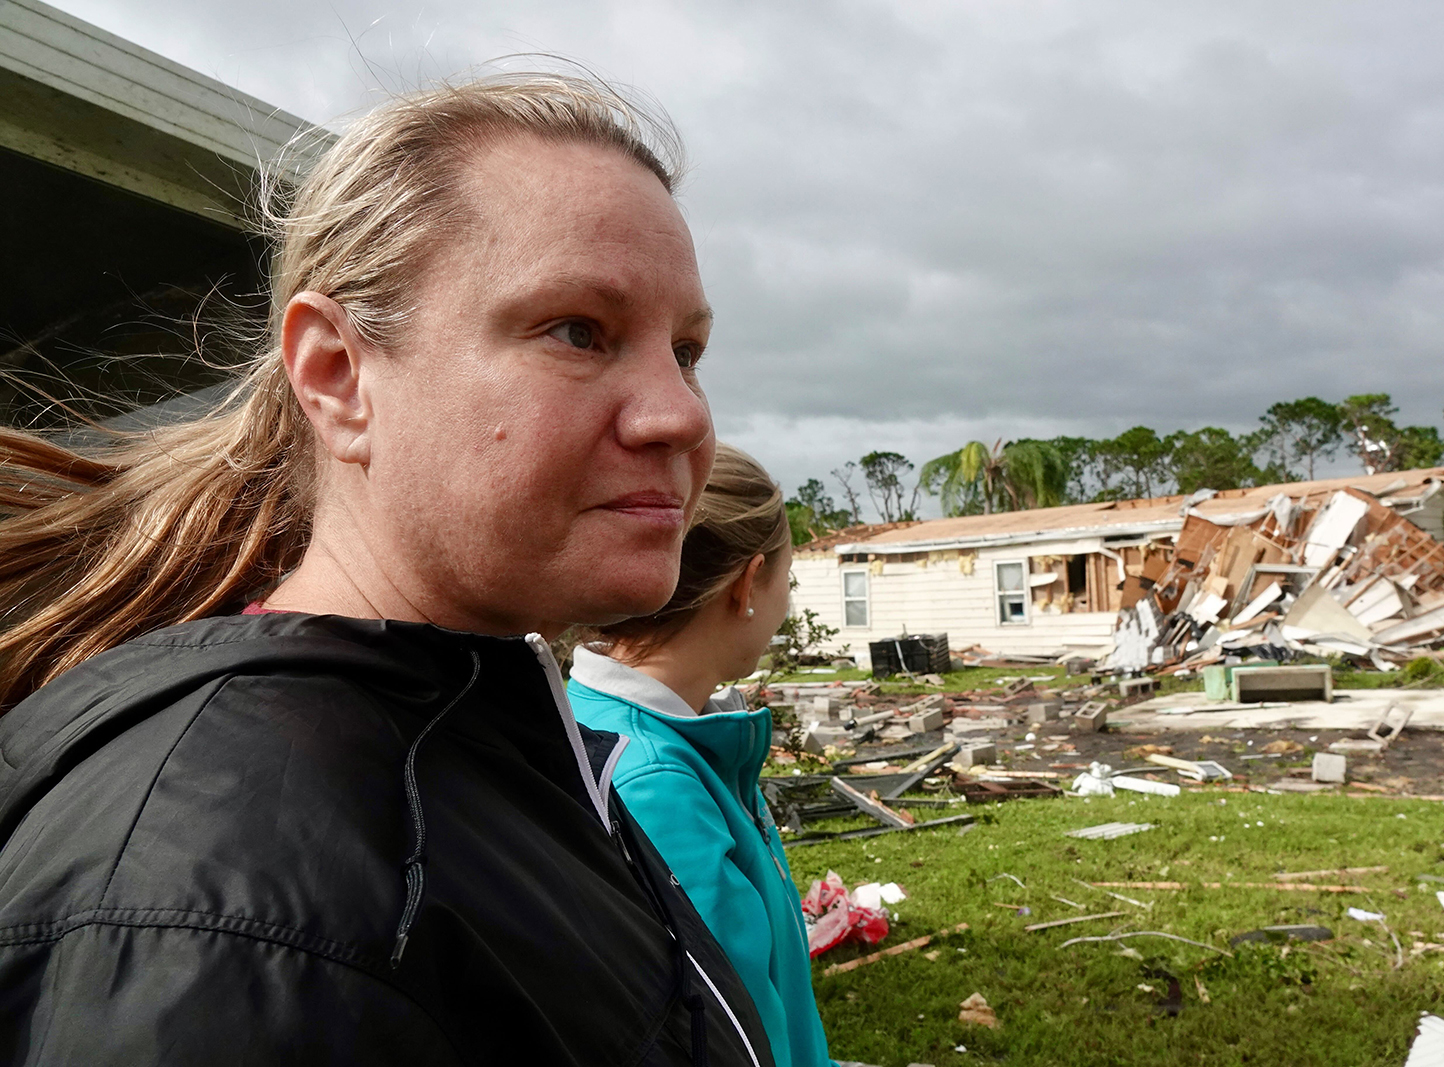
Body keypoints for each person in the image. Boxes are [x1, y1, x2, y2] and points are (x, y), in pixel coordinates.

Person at [0, 74, 774, 1066]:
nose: (681, 415)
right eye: (578, 330)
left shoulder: (472, 733)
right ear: (338, 375)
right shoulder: (230, 907)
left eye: (686, 349)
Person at [567, 444, 832, 1067]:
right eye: (785, 582)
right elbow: (736, 1040)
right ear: (746, 586)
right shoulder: (658, 782)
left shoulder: (630, 732)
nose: (784, 607)